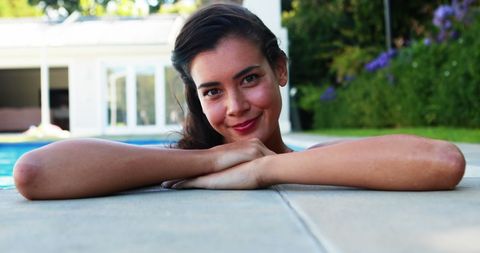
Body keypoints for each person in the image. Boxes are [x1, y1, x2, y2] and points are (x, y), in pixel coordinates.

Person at [13, 3, 465, 200]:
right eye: (212, 90)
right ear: (197, 96)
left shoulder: (318, 162)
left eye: (249, 79)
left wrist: (263, 167)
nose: (235, 106)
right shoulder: (180, 168)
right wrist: (209, 163)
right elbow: (33, 173)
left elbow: (442, 161)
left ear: (280, 70)